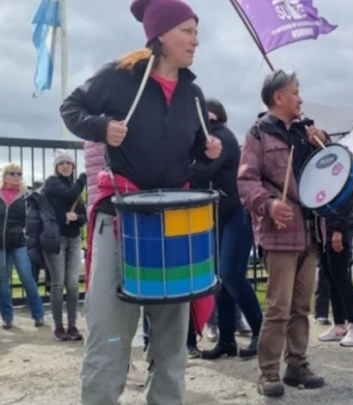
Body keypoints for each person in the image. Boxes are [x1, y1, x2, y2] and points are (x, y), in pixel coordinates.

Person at [58, 0, 222, 402]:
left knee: (170, 348)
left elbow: (195, 157)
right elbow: (70, 108)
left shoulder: (194, 94)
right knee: (109, 340)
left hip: (175, 222)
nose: (195, 40)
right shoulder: (120, 76)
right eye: (187, 31)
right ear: (160, 35)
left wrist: (209, 151)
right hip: (122, 218)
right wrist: (102, 127)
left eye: (196, 32)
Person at [238, 70, 328, 397]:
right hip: (279, 234)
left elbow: (325, 176)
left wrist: (323, 143)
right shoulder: (257, 135)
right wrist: (269, 204)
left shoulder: (307, 134)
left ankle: (297, 365)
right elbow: (246, 182)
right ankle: (268, 373)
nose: (301, 99)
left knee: (301, 307)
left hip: (310, 231)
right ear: (279, 97)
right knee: (277, 307)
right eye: (296, 92)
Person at [195, 98, 263, 361]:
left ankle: (260, 329)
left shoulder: (220, 137)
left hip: (237, 213)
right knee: (221, 280)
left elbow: (202, 171)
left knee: (231, 274)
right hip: (220, 215)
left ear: (211, 117)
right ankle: (226, 340)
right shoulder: (207, 140)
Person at [26, 151, 87, 341]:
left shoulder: (75, 190)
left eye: (69, 163)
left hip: (74, 239)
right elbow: (69, 193)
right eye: (62, 164)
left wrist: (76, 217)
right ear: (56, 167)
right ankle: (59, 327)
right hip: (56, 240)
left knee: (73, 284)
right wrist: (83, 178)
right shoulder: (52, 183)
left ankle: (73, 326)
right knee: (58, 284)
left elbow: (84, 216)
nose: (66, 166)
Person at [316, 186, 353, 347]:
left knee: (342, 279)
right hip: (322, 232)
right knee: (331, 279)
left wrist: (338, 229)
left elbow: (346, 200)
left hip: (338, 232)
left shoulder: (342, 173)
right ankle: (339, 325)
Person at [0, 163, 45, 330]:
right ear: (4, 175)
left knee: (27, 277)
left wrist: (26, 233)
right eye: (12, 173)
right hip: (0, 245)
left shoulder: (26, 196)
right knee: (2, 281)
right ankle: (7, 317)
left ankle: (38, 314)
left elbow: (35, 217)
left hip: (19, 243)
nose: (16, 176)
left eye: (19, 174)